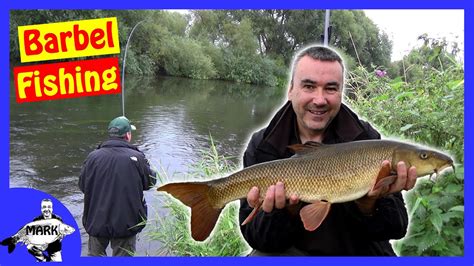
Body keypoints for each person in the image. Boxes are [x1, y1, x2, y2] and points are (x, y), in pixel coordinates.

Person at [239, 45, 417, 256]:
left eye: (331, 88)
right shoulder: (264, 144)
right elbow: (256, 237)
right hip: (292, 251)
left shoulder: (365, 139)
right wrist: (286, 212)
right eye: (309, 86)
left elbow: (396, 228)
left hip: (354, 250)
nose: (320, 99)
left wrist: (367, 204)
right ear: (291, 90)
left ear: (341, 93)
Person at [78, 116, 156, 256]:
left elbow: (83, 186)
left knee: (95, 258)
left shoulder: (92, 157)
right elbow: (150, 183)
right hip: (126, 223)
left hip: (96, 221)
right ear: (127, 135)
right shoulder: (137, 157)